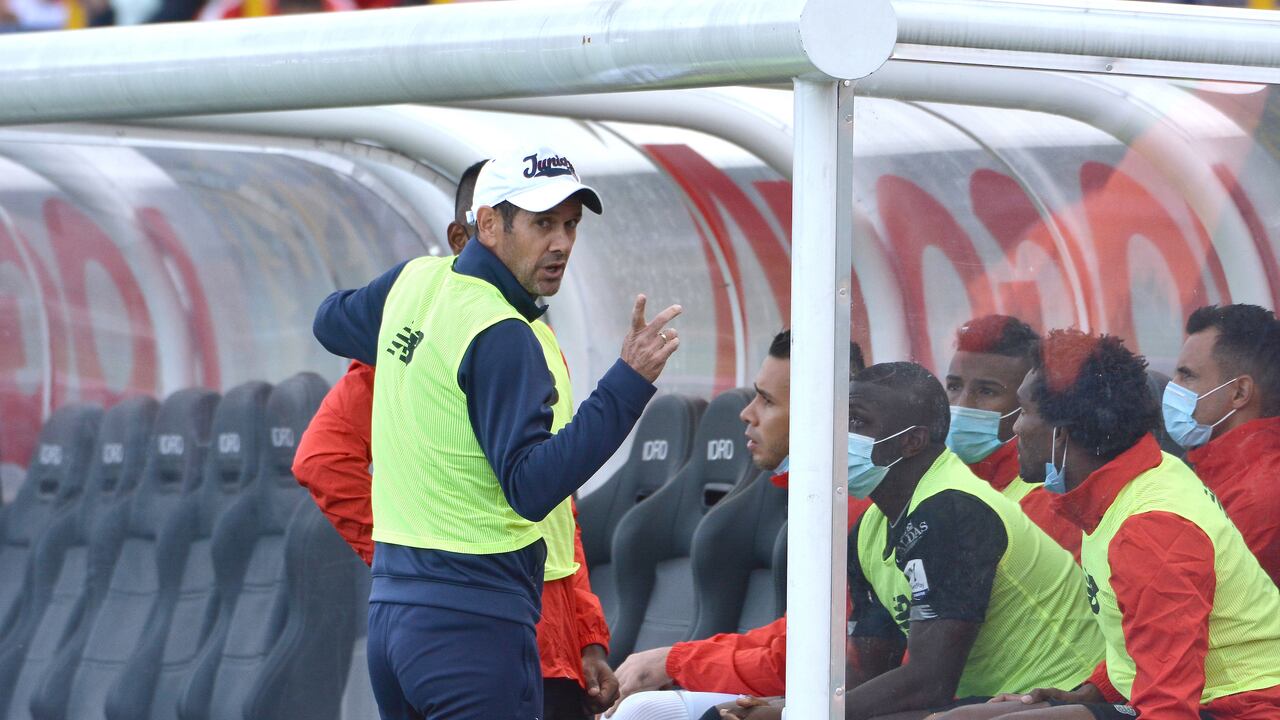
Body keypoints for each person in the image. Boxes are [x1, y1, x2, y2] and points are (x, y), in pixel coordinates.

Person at [311, 146, 681, 720]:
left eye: (570, 225)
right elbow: (532, 489)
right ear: (487, 225)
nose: (561, 243)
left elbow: (329, 320)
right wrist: (627, 386)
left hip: (394, 620)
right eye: (542, 223)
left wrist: (414, 348)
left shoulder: (416, 284)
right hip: (472, 626)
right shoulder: (503, 332)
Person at [721, 362, 1102, 720]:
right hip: (984, 705)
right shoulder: (869, 527)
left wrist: (802, 715)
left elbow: (929, 682)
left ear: (912, 442)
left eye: (856, 421)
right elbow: (872, 671)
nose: (838, 433)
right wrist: (785, 706)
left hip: (1055, 698)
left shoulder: (952, 510)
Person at [941, 329, 1280, 720]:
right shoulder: (1129, 482)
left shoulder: (1150, 529)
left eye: (1026, 412)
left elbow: (1169, 707)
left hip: (1240, 709)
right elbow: (1136, 639)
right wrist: (1087, 693)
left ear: (1061, 432)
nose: (1016, 428)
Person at [605, 331, 868, 720]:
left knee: (642, 711)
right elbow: (789, 637)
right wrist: (676, 658)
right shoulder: (822, 503)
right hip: (816, 695)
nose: (747, 413)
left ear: (822, 414)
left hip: (850, 702)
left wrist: (676, 662)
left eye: (766, 400)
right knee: (644, 708)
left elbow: (809, 661)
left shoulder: (857, 512)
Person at [945, 315, 1079, 557]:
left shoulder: (1049, 504)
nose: (963, 404)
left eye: (986, 391)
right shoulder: (936, 478)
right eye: (954, 387)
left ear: (1026, 402)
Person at [1165, 303, 1280, 584]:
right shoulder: (1214, 468)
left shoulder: (1261, 496)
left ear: (1240, 393)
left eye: (1187, 375)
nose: (1173, 386)